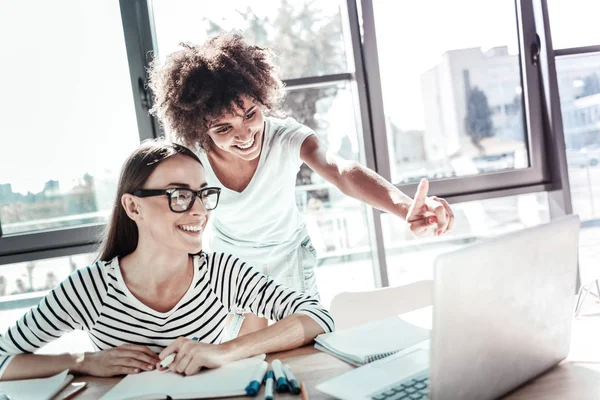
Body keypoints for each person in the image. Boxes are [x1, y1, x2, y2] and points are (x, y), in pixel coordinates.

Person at [148, 32, 455, 336]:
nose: (244, 135)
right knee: (240, 353)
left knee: (304, 345)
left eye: (250, 114)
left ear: (261, 99)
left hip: (290, 258)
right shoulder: (193, 161)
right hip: (232, 267)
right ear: (200, 129)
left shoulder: (285, 136)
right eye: (224, 127)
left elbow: (342, 172)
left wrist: (404, 208)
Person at [0, 141, 333, 381]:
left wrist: (224, 351)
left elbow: (318, 316)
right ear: (133, 208)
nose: (199, 210)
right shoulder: (91, 288)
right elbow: (4, 357)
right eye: (179, 195)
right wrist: (84, 361)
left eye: (203, 193)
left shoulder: (221, 272)